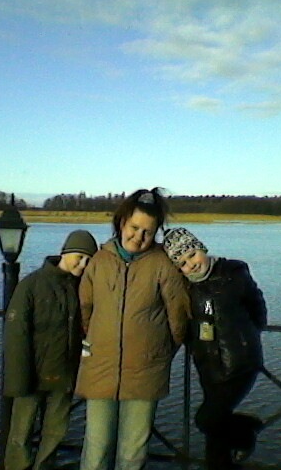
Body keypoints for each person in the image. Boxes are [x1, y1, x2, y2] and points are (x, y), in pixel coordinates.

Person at [75, 188, 190, 470]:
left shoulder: (163, 264)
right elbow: (85, 310)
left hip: (145, 371)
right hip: (100, 368)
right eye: (134, 228)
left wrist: (158, 352)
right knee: (96, 447)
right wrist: (97, 342)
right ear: (122, 222)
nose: (138, 236)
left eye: (147, 232)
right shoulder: (99, 261)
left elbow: (178, 317)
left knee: (133, 451)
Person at [163, 227, 267, 470]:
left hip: (240, 364)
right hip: (208, 367)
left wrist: (248, 336)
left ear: (202, 248)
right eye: (182, 263)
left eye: (192, 255)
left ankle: (246, 430)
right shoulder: (184, 287)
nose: (191, 265)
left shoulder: (233, 272)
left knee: (207, 419)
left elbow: (256, 304)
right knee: (215, 437)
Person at [3, 229, 99, 470]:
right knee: (20, 434)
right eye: (79, 257)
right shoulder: (32, 285)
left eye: (89, 260)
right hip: (32, 374)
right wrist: (18, 380)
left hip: (64, 374)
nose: (83, 264)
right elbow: (17, 335)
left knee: (55, 434)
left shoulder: (83, 288)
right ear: (65, 252)